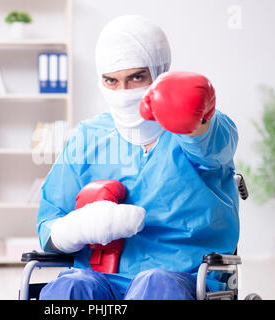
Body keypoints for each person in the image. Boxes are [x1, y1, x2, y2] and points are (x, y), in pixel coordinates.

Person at [36, 15, 239, 300]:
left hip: (182, 281)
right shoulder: (88, 137)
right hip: (101, 280)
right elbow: (49, 221)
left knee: (154, 284)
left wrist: (196, 120)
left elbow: (213, 146)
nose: (123, 93)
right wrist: (76, 228)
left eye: (136, 78)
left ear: (159, 73)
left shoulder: (199, 130)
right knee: (69, 287)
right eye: (111, 80)